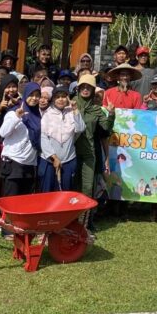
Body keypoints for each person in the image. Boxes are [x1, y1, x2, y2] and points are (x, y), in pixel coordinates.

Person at [74, 74, 115, 219]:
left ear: (93, 90)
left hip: (88, 154)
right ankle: (67, 223)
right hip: (70, 153)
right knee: (72, 187)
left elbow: (106, 129)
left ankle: (84, 224)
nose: (85, 90)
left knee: (87, 187)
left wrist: (111, 114)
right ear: (78, 88)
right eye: (83, 87)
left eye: (89, 88)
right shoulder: (70, 104)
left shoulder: (97, 110)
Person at [38, 86, 86, 192]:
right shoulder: (46, 113)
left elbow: (81, 128)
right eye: (57, 97)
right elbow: (43, 137)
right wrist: (54, 157)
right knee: (47, 193)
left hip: (69, 160)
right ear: (53, 99)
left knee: (65, 193)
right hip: (49, 161)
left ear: (68, 98)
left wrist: (75, 109)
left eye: (63, 97)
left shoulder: (72, 112)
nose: (60, 99)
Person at [0, 84, 40, 197]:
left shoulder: (38, 115)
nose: (34, 98)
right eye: (31, 95)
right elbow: (3, 132)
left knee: (24, 204)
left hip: (30, 165)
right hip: (13, 164)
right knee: (11, 202)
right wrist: (17, 117)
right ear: (25, 94)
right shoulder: (13, 112)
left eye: (37, 95)